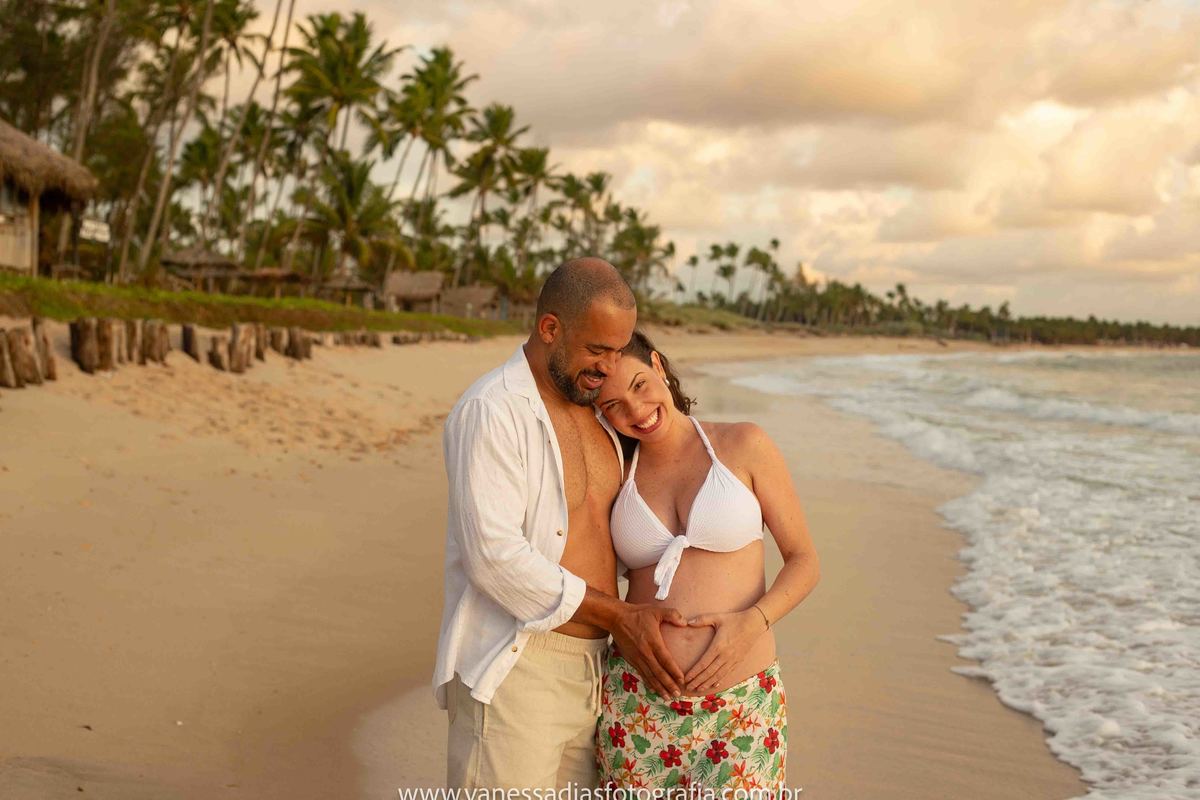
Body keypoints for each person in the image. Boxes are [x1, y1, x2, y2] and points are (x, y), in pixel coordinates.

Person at [434, 259, 692, 790]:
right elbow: (494, 559)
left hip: (598, 673)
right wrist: (619, 615)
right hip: (519, 667)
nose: (608, 366)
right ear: (550, 328)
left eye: (618, 350)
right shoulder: (493, 410)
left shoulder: (602, 412)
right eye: (597, 349)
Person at [593, 329, 820, 795]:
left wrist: (754, 622)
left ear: (658, 365)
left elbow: (804, 560)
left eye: (639, 384)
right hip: (636, 703)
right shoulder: (615, 472)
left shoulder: (744, 444)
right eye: (613, 404)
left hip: (743, 707)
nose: (636, 410)